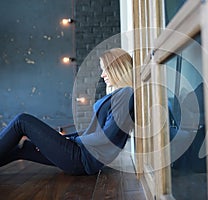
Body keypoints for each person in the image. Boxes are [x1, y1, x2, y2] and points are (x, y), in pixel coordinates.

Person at [0, 48, 134, 175]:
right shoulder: (121, 94)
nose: (102, 74)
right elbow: (93, 132)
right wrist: (62, 139)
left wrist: (71, 140)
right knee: (24, 148)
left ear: (117, 68)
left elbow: (106, 137)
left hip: (82, 158)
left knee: (22, 121)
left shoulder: (125, 94)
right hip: (82, 155)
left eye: (105, 69)